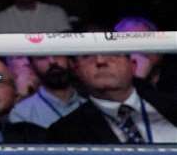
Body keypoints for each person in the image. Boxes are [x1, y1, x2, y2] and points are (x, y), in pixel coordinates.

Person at [47, 51, 177, 143]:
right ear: (76, 70)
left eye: (112, 53)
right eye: (87, 56)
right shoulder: (64, 132)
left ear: (133, 65)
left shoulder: (171, 104)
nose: (100, 61)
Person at [8, 55, 85, 129]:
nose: (52, 62)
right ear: (32, 66)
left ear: (69, 59)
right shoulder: (22, 114)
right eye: (42, 57)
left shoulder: (89, 102)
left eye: (57, 54)